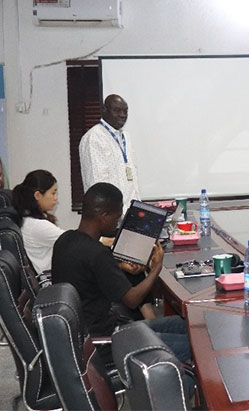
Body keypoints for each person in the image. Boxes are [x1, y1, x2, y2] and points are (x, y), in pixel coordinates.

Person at [51, 182, 190, 363]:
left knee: (184, 324)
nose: (118, 222)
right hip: (107, 343)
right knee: (192, 345)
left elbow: (89, 269)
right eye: (117, 217)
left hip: (90, 335)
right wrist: (156, 268)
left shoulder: (65, 240)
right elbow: (132, 300)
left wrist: (119, 265)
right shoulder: (96, 253)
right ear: (104, 216)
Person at [79, 94, 140, 214]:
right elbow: (98, 185)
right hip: (108, 217)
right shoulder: (94, 138)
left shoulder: (125, 136)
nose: (122, 115)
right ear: (104, 110)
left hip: (129, 214)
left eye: (125, 111)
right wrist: (117, 214)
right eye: (117, 111)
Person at [11, 170, 65, 275]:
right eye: (53, 193)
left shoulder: (28, 220)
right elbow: (74, 240)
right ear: (38, 195)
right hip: (49, 281)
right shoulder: (36, 226)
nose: (56, 198)